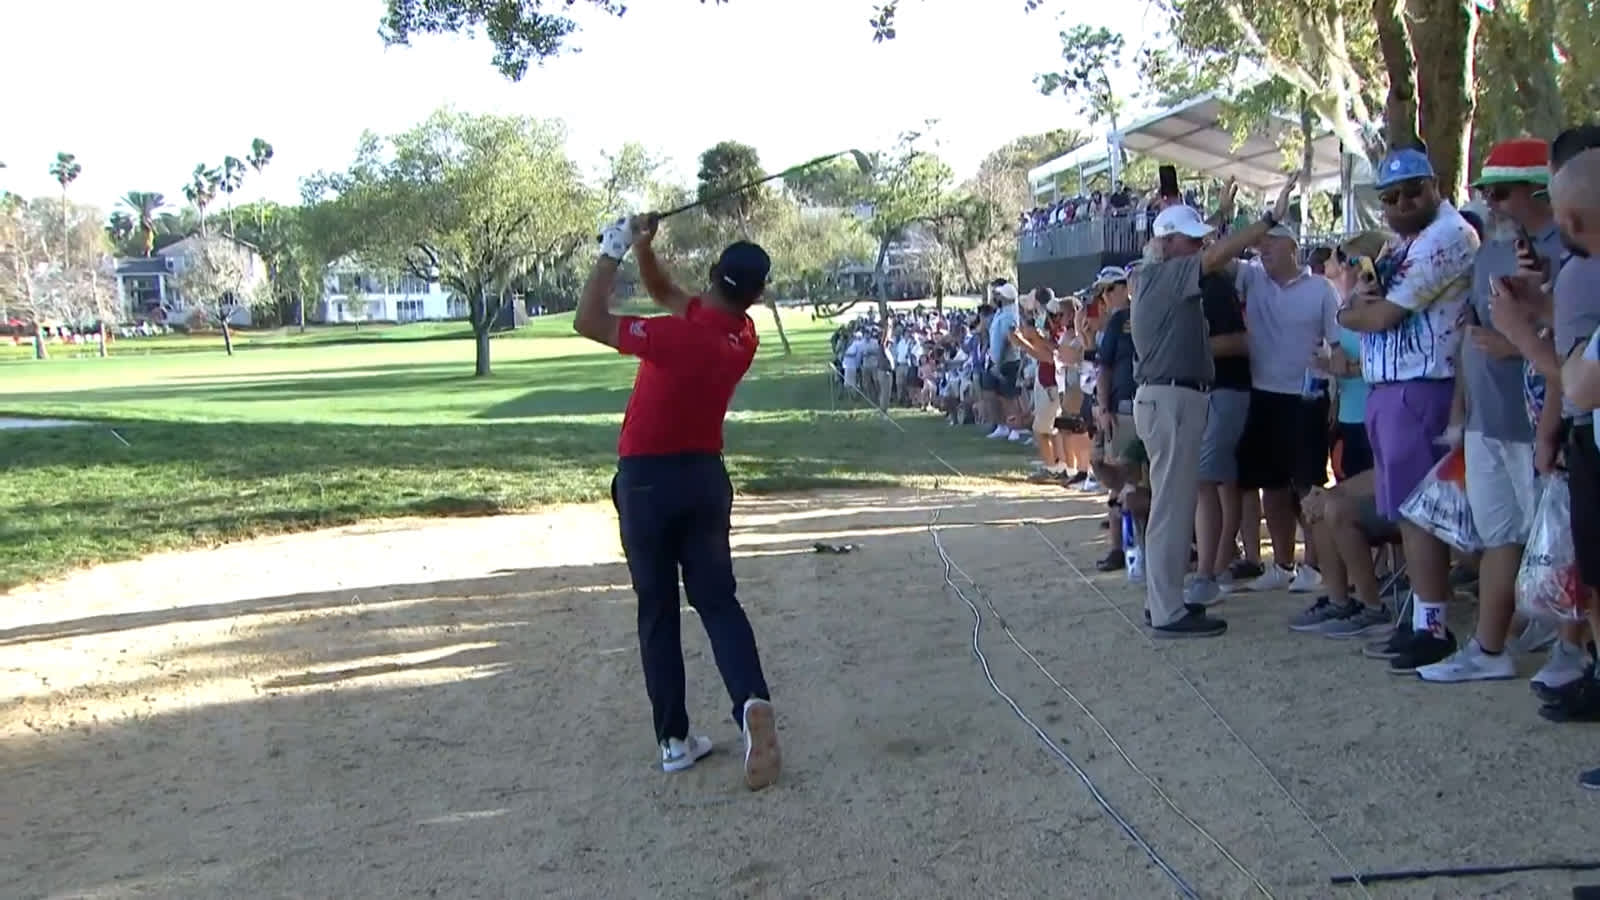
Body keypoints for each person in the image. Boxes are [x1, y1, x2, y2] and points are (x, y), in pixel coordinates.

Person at [573, 213, 780, 791]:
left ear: (713, 273)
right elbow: (667, 293)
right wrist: (645, 247)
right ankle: (750, 702)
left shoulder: (674, 337)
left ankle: (673, 740)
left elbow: (587, 320)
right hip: (703, 479)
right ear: (756, 295)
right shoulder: (740, 337)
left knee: (657, 610)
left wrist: (612, 248)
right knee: (719, 603)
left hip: (645, 482)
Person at [1418, 138, 1565, 683]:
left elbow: (1565, 336)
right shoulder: (1490, 253)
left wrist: (1522, 341)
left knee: (1557, 540)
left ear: (1539, 191)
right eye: (1485, 192)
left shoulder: (1568, 248)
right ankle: (1489, 647)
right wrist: (1460, 415)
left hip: (1539, 425)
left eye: (1500, 192)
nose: (1492, 204)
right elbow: (1470, 339)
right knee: (1500, 536)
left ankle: (1570, 653)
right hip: (1487, 424)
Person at [1337, 147, 1480, 674]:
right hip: (1389, 388)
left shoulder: (1447, 235)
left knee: (1422, 513)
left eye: (1411, 192)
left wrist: (1363, 310)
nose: (1400, 204)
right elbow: (1350, 310)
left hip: (1422, 385)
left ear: (1435, 185)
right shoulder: (1402, 242)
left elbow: (1379, 317)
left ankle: (1434, 627)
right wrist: (1361, 307)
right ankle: (1424, 620)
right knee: (1408, 512)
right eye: (1390, 197)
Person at [1132, 178, 1296, 637]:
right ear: (1167, 244)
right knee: (1172, 508)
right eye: (1191, 238)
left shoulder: (1159, 275)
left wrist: (1221, 217)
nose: (1200, 244)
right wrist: (1267, 220)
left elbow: (1209, 251)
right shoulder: (1165, 275)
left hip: (1171, 397)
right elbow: (1214, 257)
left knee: (1175, 505)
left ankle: (1163, 601)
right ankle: (1166, 610)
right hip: (1172, 399)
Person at [1231, 219, 1343, 594]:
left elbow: (1339, 342)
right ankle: (1282, 564)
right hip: (1264, 396)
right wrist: (1233, 217)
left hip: (1307, 398)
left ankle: (1313, 565)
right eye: (1260, 244)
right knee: (1271, 487)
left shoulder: (1322, 289)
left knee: (1308, 484)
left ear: (1293, 248)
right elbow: (1218, 255)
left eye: (1271, 243)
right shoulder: (1251, 278)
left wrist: (1336, 392)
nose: (1263, 249)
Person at [1190, 181, 1253, 607]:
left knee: (1207, 482)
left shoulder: (1214, 288)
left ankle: (1208, 574)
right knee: (1223, 485)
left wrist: (1191, 348)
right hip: (1212, 394)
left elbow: (1240, 342)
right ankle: (1220, 565)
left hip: (1227, 391)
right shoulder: (1196, 284)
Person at [1089, 266, 1138, 570]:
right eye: (1102, 292)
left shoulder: (1148, 314)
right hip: (1122, 408)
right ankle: (1119, 547)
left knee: (1143, 480)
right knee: (1115, 475)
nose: (1105, 298)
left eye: (1110, 289)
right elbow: (1104, 368)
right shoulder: (1117, 323)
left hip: (1154, 405)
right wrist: (1104, 408)